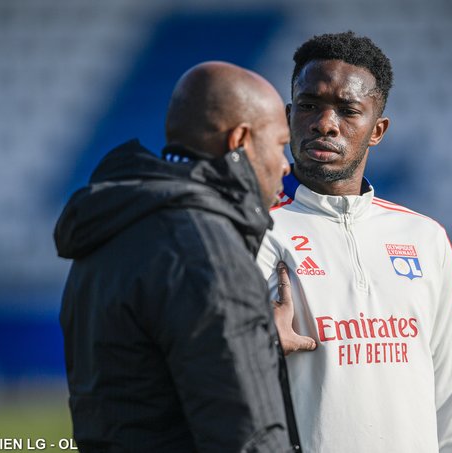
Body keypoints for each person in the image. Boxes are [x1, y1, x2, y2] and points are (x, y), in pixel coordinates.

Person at [257, 32, 452, 452]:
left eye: (348, 111)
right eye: (309, 105)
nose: (325, 123)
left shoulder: (425, 239)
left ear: (377, 130)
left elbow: (451, 397)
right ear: (289, 116)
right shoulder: (254, 231)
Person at [54, 61, 301, 452]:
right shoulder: (206, 251)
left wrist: (259, 338)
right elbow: (248, 436)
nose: (286, 164)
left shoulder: (115, 227)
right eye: (280, 144)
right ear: (240, 141)